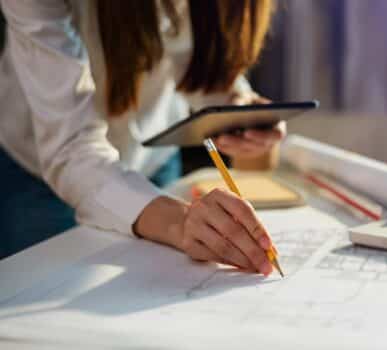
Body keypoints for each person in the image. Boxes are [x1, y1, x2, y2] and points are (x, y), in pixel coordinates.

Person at [0, 0, 284, 276]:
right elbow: (72, 147)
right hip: (39, 175)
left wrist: (234, 103)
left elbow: (184, 48)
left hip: (152, 163)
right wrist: (180, 221)